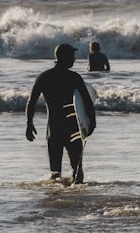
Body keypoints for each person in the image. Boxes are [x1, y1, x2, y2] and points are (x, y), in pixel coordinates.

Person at [26, 44, 96, 184]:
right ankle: (73, 199)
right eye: (72, 56)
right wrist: (91, 122)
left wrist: (29, 123)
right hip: (73, 128)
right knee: (77, 171)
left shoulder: (45, 77)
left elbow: (31, 101)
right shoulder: (74, 77)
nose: (74, 59)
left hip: (54, 128)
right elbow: (87, 102)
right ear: (65, 57)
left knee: (55, 173)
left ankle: (56, 201)